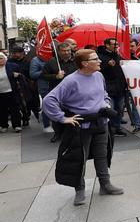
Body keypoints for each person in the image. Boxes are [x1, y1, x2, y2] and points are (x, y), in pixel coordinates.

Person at [42, 49, 124, 205]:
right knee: (80, 158)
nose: (100, 61)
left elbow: (103, 93)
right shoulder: (71, 80)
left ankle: (105, 185)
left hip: (101, 122)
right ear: (85, 63)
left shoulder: (99, 75)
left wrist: (105, 103)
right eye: (95, 59)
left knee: (102, 155)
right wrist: (62, 118)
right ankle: (79, 190)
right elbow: (49, 100)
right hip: (82, 126)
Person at [42, 42, 77, 142]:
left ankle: (72, 133)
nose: (67, 53)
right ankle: (58, 133)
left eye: (68, 50)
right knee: (57, 113)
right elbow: (44, 75)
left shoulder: (76, 60)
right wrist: (56, 76)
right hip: (57, 91)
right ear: (59, 51)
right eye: (64, 51)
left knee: (72, 112)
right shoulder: (52, 62)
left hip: (73, 91)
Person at [96, 38, 128, 137]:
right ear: (107, 45)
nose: (116, 46)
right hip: (108, 89)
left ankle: (117, 127)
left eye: (117, 44)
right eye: (114, 44)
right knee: (111, 110)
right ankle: (109, 129)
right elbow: (97, 71)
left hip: (120, 88)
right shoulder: (99, 56)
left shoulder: (117, 55)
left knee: (119, 109)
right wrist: (106, 65)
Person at [29, 44, 53, 134]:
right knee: (47, 105)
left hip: (55, 84)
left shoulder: (55, 58)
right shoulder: (36, 60)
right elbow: (33, 74)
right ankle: (46, 125)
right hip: (44, 86)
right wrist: (45, 70)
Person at [0, 52, 22, 132]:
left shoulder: (13, 66)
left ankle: (17, 125)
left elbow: (21, 76)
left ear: (5, 59)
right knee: (2, 110)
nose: (0, 60)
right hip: (1, 93)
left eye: (1, 58)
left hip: (12, 91)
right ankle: (4, 125)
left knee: (14, 109)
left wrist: (18, 75)